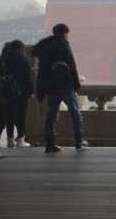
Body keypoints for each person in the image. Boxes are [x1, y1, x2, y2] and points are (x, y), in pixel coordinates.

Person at [34, 24, 85, 153]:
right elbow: (72, 65)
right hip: (66, 86)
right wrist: (76, 84)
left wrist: (41, 90)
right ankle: (79, 141)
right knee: (75, 113)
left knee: (51, 115)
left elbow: (41, 71)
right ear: (64, 33)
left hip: (51, 88)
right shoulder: (64, 45)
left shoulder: (44, 47)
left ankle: (50, 143)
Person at [0, 40, 34, 147]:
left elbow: (2, 75)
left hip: (7, 91)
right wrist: (31, 91)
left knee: (10, 116)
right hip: (20, 92)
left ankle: (10, 140)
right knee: (20, 115)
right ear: (21, 48)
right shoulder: (23, 59)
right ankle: (20, 139)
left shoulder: (6, 59)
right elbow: (27, 77)